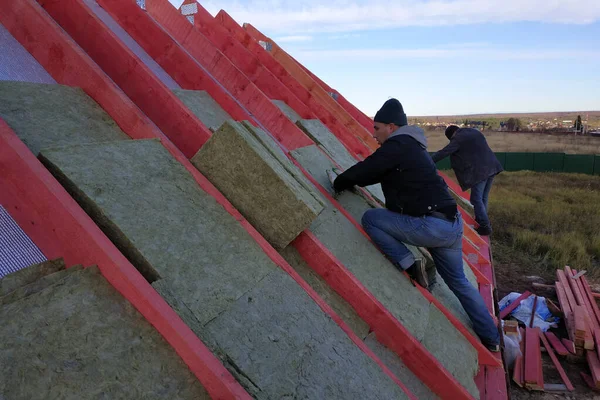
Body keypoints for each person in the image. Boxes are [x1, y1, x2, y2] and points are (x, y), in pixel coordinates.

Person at [333, 99, 500, 351]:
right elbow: (378, 173)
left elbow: (369, 168)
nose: (373, 133)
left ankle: (410, 264)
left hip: (430, 226)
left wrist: (339, 182)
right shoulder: (414, 146)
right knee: (459, 283)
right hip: (452, 226)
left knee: (372, 219)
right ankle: (492, 338)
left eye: (376, 128)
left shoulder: (398, 144)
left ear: (391, 127)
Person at [432, 125, 503, 236]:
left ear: (452, 135)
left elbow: (444, 152)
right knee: (483, 197)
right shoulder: (474, 132)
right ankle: (482, 221)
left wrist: (428, 161)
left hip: (480, 171)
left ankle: (485, 225)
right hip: (492, 166)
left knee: (476, 199)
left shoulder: (458, 138)